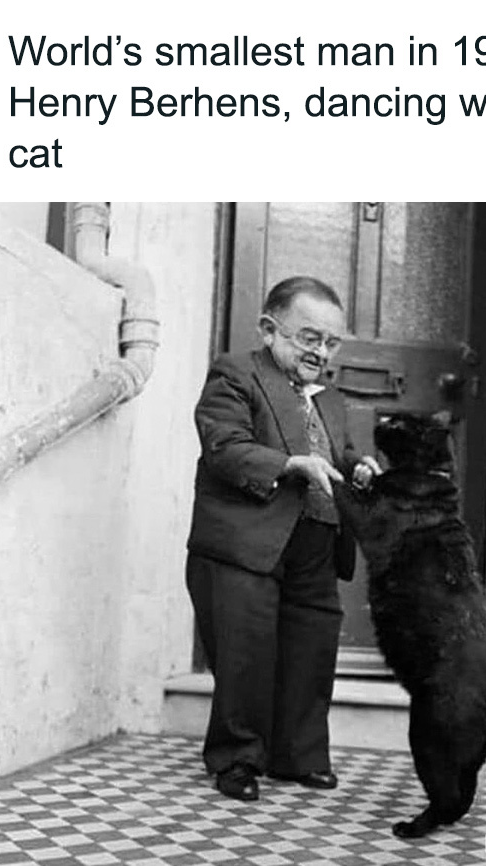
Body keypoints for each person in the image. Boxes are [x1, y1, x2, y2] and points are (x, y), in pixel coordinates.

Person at [186, 276, 380, 802]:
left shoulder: (331, 399)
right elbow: (224, 446)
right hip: (246, 542)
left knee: (310, 649)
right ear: (269, 329)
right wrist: (289, 464)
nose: (321, 352)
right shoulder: (236, 373)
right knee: (246, 652)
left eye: (331, 342)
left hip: (316, 539)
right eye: (309, 338)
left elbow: (336, 451)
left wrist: (358, 466)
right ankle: (237, 759)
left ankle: (299, 757)